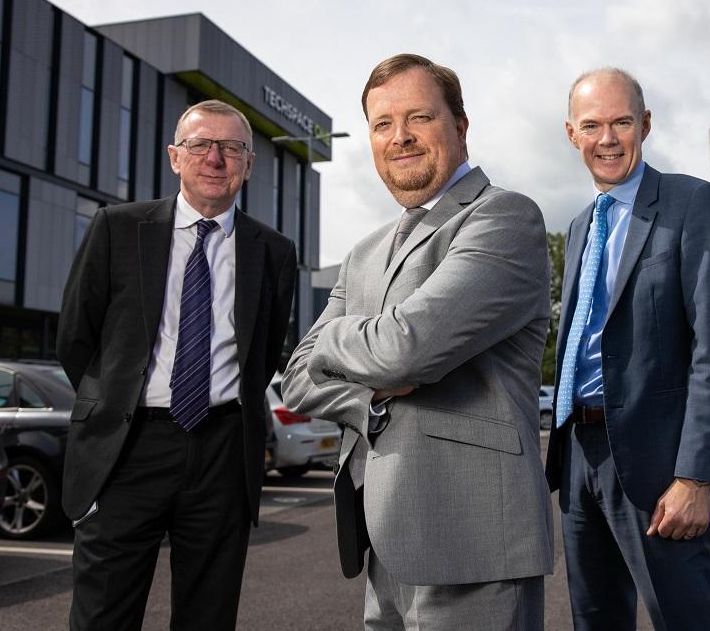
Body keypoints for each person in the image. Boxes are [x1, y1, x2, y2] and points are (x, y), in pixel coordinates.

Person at [282, 54, 553, 630]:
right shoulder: (363, 253)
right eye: (382, 124)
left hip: (473, 538)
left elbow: (407, 349)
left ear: (460, 126)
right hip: (383, 536)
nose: (399, 137)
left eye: (419, 118)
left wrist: (334, 336)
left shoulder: (503, 218)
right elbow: (299, 375)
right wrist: (371, 399)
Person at [57, 99, 297, 630]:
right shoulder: (117, 228)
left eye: (231, 147)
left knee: (208, 616)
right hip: (126, 448)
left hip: (223, 452)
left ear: (249, 163)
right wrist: (114, 404)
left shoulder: (274, 251)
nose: (215, 157)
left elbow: (264, 353)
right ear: (174, 157)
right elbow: (76, 337)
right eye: (199, 145)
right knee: (103, 614)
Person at [545, 68, 710, 630]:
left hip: (660, 463)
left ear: (645, 124)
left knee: (686, 622)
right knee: (596, 621)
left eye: (622, 122)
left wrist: (695, 477)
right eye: (592, 125)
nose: (607, 139)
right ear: (570, 133)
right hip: (579, 453)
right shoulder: (581, 224)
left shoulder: (692, 203)